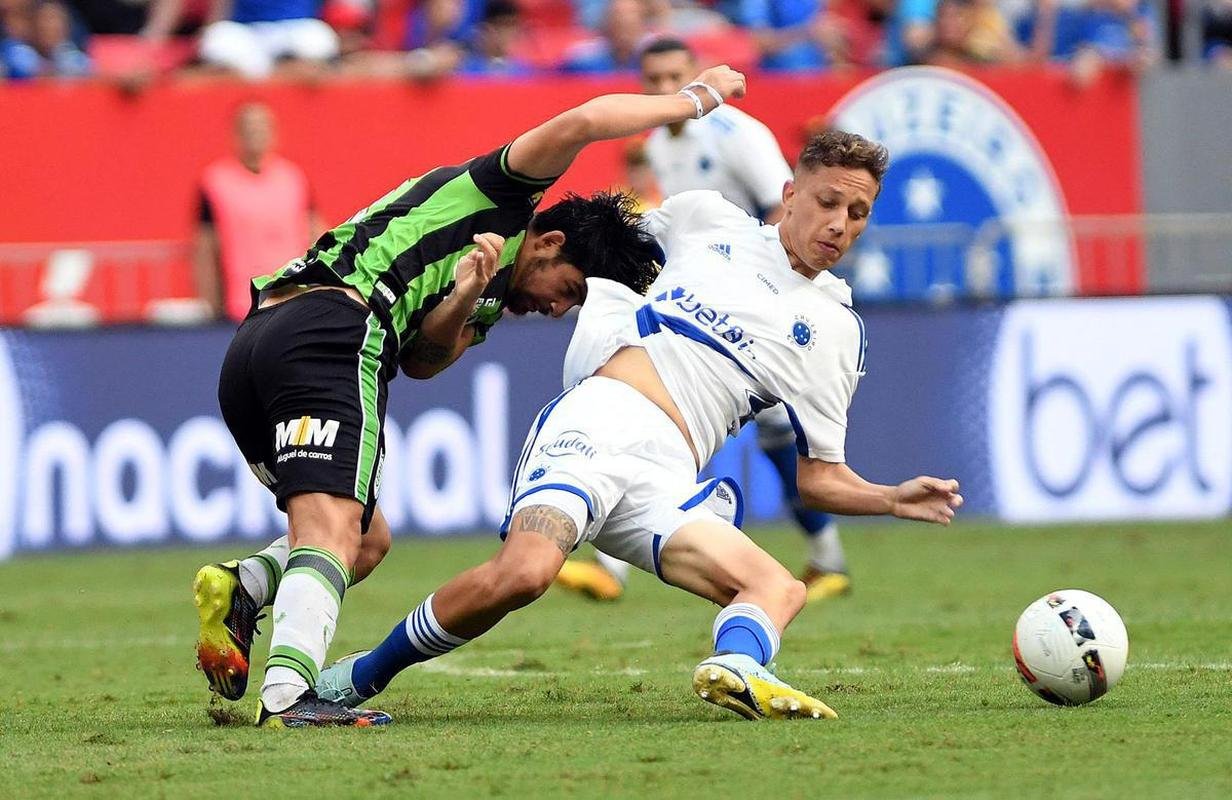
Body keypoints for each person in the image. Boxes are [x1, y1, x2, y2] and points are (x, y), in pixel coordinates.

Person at [314, 129, 963, 723]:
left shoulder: (835, 331)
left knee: (777, 586)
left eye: (858, 214)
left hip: (670, 475)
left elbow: (819, 479)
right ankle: (355, 678)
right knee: (525, 574)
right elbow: (591, 234)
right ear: (790, 195)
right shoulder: (706, 221)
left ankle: (734, 666)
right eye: (828, 202)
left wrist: (888, 498)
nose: (841, 225)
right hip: (600, 420)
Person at [192, 63, 750, 728]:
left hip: (259, 344)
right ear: (548, 243)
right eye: (568, 291)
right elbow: (583, 122)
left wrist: (460, 296)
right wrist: (689, 100)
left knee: (366, 541)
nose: (554, 310)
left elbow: (424, 361)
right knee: (334, 531)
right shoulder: (504, 196)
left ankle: (245, 589)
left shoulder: (486, 301)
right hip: (332, 328)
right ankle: (290, 694)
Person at [556, 36, 853, 605]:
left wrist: (753, 286)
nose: (666, 90)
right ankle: (826, 558)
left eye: (675, 78)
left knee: (743, 433)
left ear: (697, 74)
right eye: (655, 80)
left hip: (756, 308)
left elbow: (782, 207)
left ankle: (827, 558)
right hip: (706, 295)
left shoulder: (737, 135)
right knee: (686, 417)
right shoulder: (661, 140)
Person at [196, 103, 321, 322]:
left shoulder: (293, 178)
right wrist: (210, 306)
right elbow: (205, 247)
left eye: (262, 127)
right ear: (236, 133)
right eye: (249, 128)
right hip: (241, 306)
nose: (256, 134)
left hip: (295, 299)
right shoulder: (215, 182)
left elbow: (315, 231)